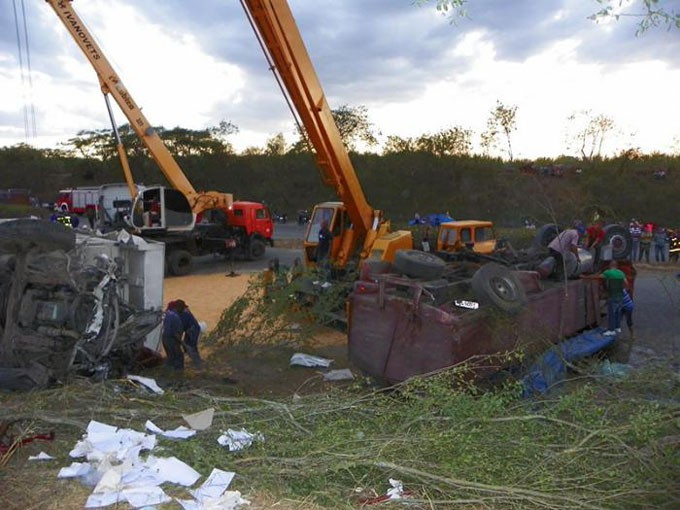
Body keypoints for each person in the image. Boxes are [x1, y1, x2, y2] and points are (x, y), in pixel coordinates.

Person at [174, 299, 203, 370]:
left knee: (191, 345)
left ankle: (198, 362)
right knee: (187, 346)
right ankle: (196, 361)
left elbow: (181, 328)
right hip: (190, 329)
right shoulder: (182, 313)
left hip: (193, 330)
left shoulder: (184, 315)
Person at [601, 261, 628, 336]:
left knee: (611, 313)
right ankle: (617, 327)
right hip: (620, 295)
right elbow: (626, 283)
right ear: (617, 266)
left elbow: (599, 277)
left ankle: (611, 330)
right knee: (617, 312)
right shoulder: (621, 273)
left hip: (612, 295)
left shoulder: (608, 272)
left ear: (610, 266)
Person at [161, 300, 185, 371]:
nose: (183, 310)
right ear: (179, 307)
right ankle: (178, 373)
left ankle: (167, 371)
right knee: (179, 357)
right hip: (172, 340)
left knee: (170, 357)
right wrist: (180, 341)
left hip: (165, 339)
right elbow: (173, 332)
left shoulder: (168, 314)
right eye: (183, 308)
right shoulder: (175, 316)